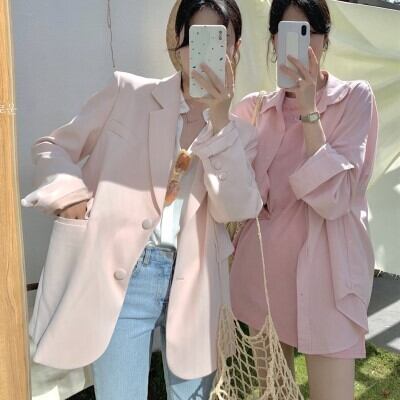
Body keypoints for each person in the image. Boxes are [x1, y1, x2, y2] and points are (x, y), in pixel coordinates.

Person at [21, 0, 262, 398]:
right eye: (195, 39)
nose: (204, 52)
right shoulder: (128, 92)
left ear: (235, 49)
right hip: (125, 274)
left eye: (219, 40)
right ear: (178, 43)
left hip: (197, 284)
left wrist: (220, 122)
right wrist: (71, 197)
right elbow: (52, 147)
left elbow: (234, 209)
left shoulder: (240, 135)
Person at [230, 0, 379, 399]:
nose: (297, 44)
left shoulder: (354, 99)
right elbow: (235, 196)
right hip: (264, 278)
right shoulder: (255, 109)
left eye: (307, 32)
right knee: (273, 393)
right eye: (285, 33)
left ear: (324, 39)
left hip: (329, 283)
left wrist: (310, 110)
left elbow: (335, 199)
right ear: (273, 41)